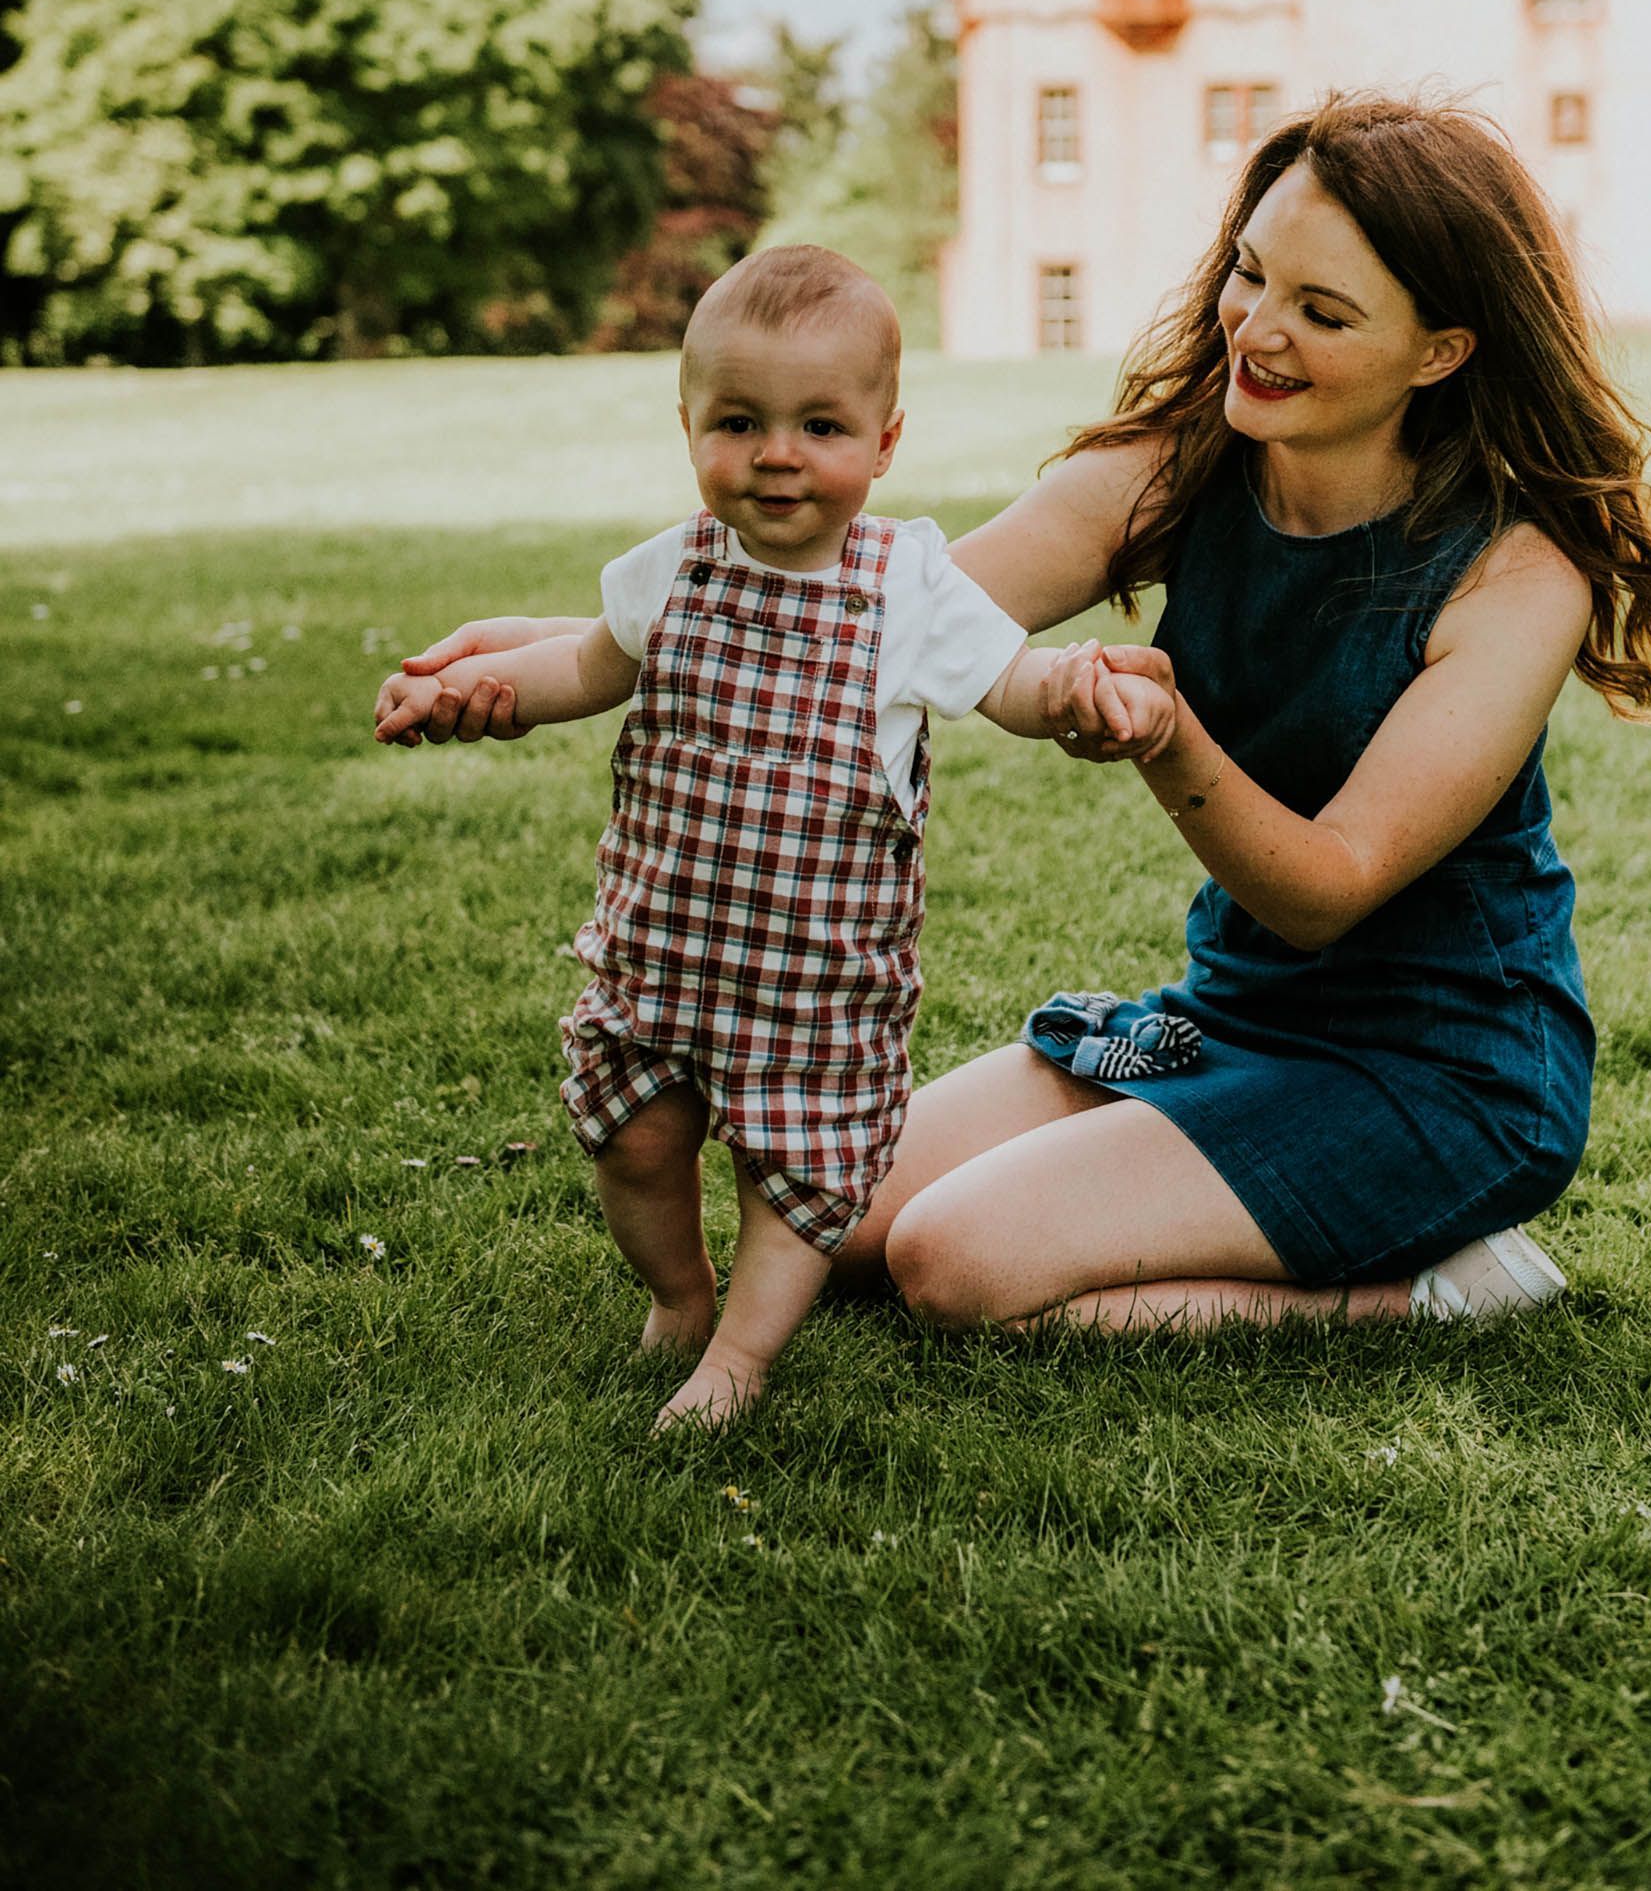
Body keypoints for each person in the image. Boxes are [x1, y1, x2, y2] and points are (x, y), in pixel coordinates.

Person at [413, 95, 1651, 1342]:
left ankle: (1441, 1285)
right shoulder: (1186, 468)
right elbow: (876, 620)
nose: (1256, 329)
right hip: (1231, 1018)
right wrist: (537, 657)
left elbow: (1327, 887)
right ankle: (1221, 1164)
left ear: (1441, 350)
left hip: (1438, 1072)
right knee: (844, 1213)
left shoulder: (1515, 575)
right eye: (1250, 274)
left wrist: (1166, 735)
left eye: (1323, 310)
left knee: (948, 1262)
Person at [374, 246, 1172, 1426]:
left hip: (811, 982)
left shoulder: (909, 586)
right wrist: (475, 688)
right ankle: (680, 1296)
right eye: (739, 422)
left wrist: (1076, 690)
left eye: (821, 425)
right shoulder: (674, 569)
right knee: (638, 1144)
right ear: (689, 422)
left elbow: (1008, 677)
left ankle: (739, 1358)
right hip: (663, 948)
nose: (778, 454)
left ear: (886, 441)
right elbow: (586, 664)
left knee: (787, 1179)